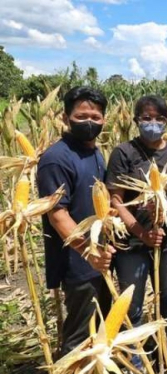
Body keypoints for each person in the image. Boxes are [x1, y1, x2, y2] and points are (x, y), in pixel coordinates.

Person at [37, 86, 114, 355]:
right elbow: (58, 215)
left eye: (95, 116)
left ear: (104, 119)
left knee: (101, 327)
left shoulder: (94, 152)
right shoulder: (56, 159)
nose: (89, 122)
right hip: (78, 261)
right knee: (80, 334)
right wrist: (89, 251)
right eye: (81, 117)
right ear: (65, 117)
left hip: (99, 256)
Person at [106, 95, 167, 330]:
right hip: (131, 242)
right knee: (132, 301)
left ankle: (165, 342)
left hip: (166, 238)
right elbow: (115, 199)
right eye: (146, 118)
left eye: (158, 118)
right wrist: (141, 233)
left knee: (165, 294)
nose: (152, 123)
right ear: (136, 120)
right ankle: (135, 356)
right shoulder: (123, 153)